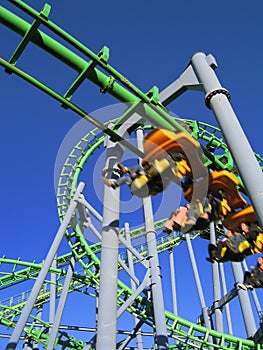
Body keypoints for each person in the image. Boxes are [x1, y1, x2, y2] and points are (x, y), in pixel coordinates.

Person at [102, 154, 183, 197]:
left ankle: (120, 177)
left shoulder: (155, 173)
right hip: (140, 186)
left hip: (144, 187)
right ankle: (115, 182)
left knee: (130, 176)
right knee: (131, 176)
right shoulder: (144, 171)